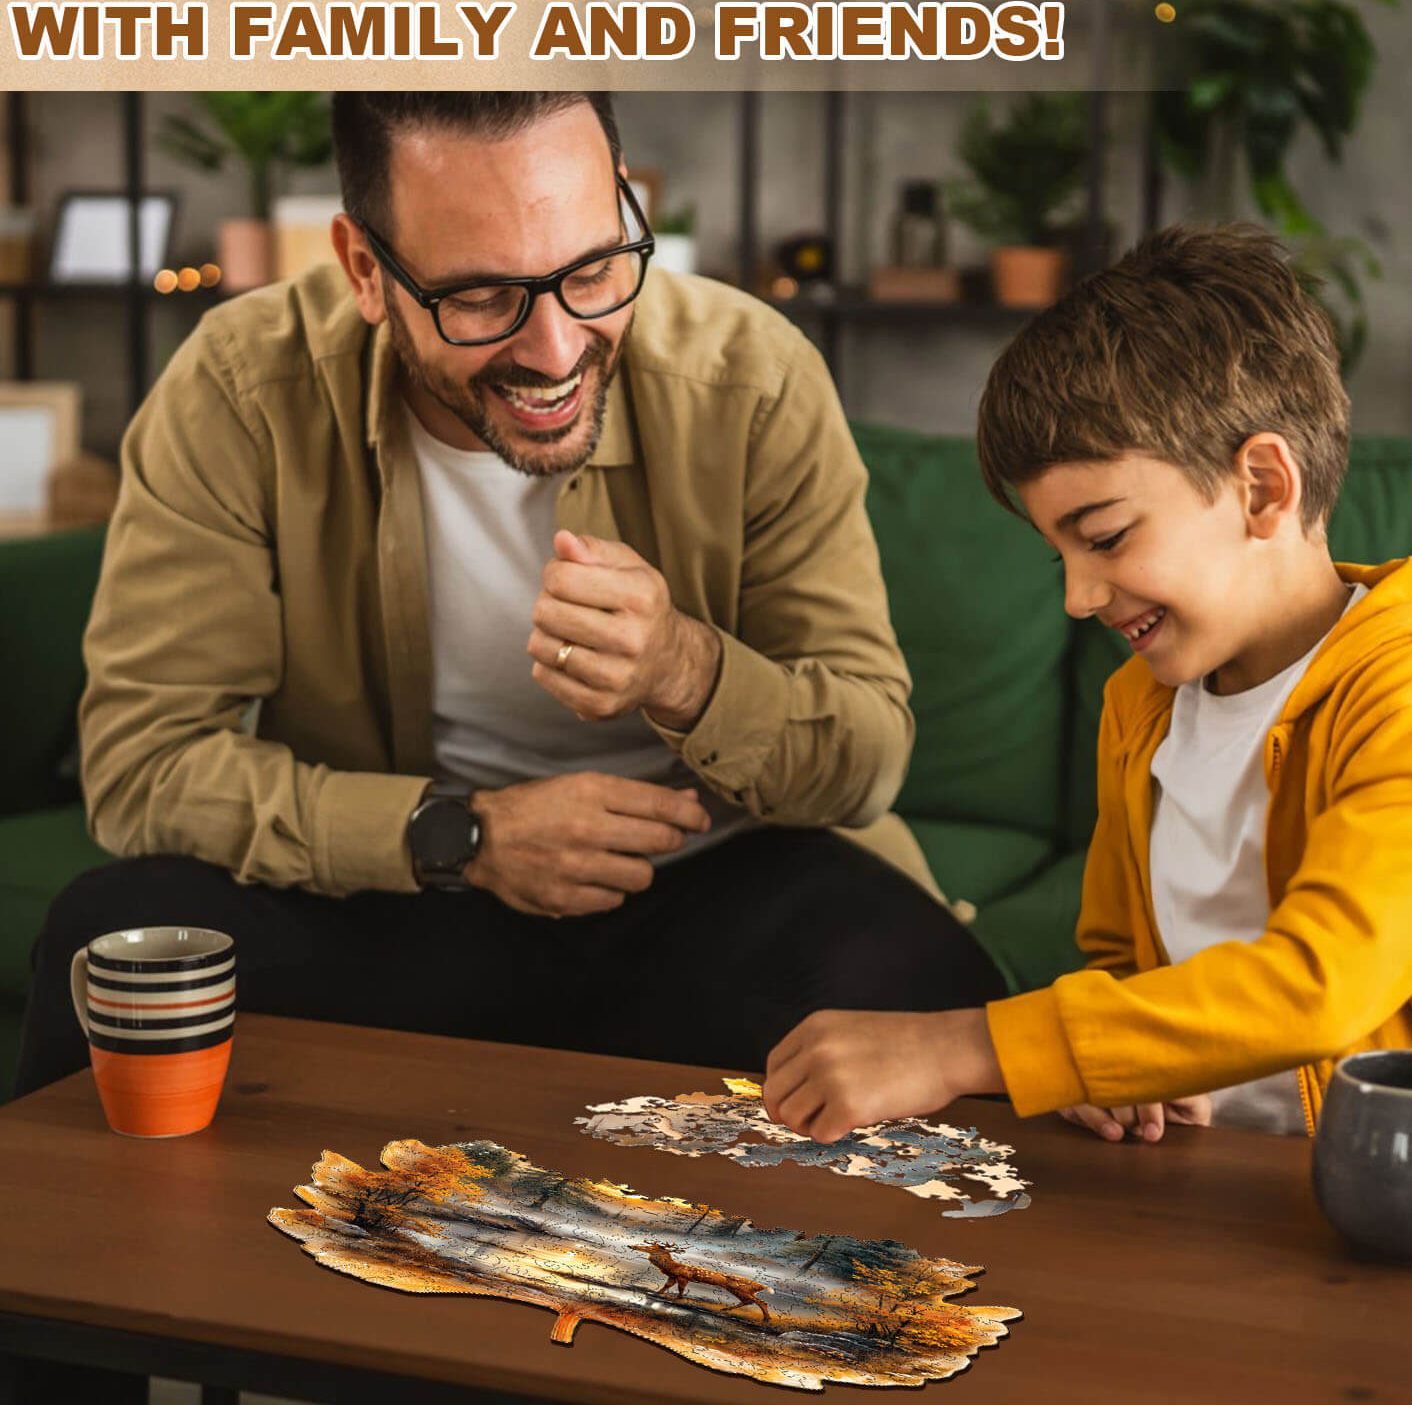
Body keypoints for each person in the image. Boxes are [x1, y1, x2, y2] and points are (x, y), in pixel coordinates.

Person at [17, 92, 1004, 1100]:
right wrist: (458, 836)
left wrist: (684, 667)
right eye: (483, 296)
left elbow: (864, 760)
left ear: (624, 202)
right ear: (365, 270)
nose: (556, 351)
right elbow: (142, 764)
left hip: (714, 893)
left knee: (920, 986)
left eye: (592, 270)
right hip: (395, 900)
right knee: (114, 933)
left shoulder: (753, 374)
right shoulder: (241, 388)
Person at [762, 222, 1412, 1158]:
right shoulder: (1141, 704)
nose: (1079, 596)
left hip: (1409, 1192)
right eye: (1059, 554)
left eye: (1106, 538)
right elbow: (1122, 963)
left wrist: (969, 1047)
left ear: (1263, 487)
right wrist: (1111, 1081)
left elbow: (1321, 984)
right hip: (1202, 1178)